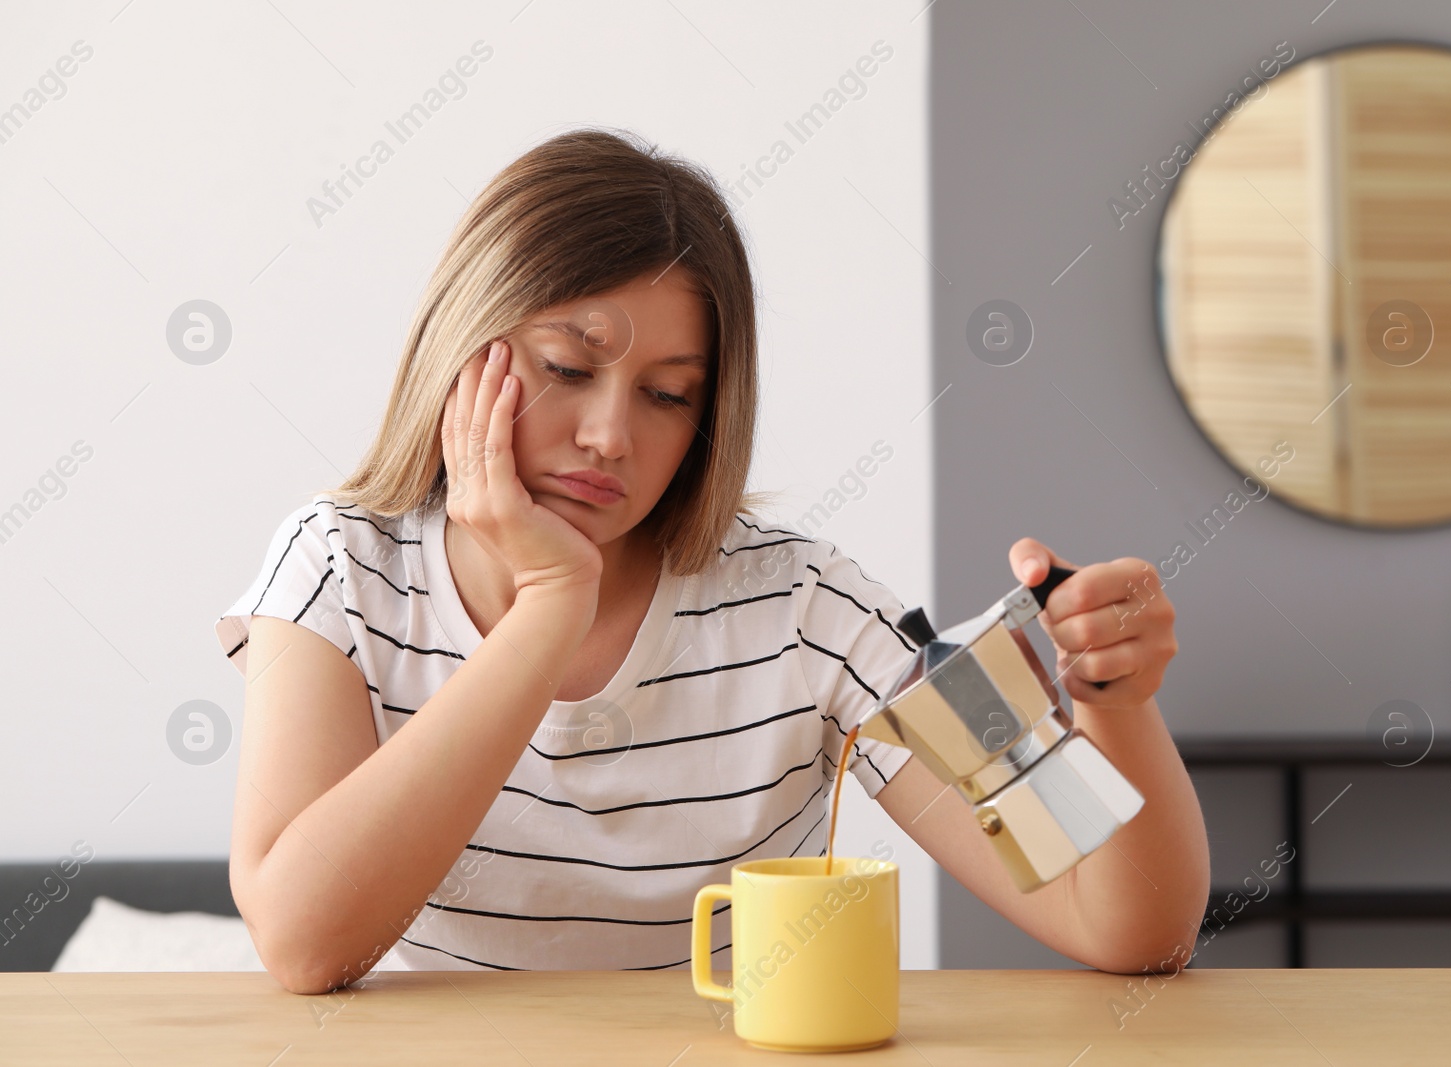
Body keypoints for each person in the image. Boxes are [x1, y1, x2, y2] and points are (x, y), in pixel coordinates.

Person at [215, 127, 1208, 996]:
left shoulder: (812, 611)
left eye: (669, 394)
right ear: (461, 344)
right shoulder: (337, 565)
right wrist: (551, 605)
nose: (609, 435)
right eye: (569, 367)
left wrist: (1113, 704)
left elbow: (1128, 929)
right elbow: (305, 943)